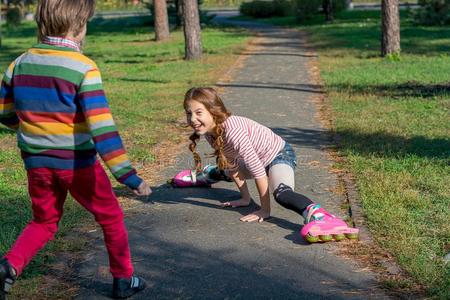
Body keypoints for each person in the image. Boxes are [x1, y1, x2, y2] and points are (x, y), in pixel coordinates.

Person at [0, 1, 150, 298]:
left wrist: (32, 131)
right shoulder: (83, 67)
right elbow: (102, 129)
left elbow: (4, 112)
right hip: (77, 164)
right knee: (110, 217)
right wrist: (128, 176)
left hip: (36, 163)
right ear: (80, 26)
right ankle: (123, 279)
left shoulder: (19, 62)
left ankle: (9, 266)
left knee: (44, 221)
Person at [183, 87, 359, 243]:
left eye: (199, 112)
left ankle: (320, 216)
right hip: (257, 160)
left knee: (282, 193)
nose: (192, 119)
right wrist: (245, 199)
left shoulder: (233, 132)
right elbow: (233, 164)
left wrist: (264, 210)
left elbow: (258, 171)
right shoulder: (211, 132)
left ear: (213, 111)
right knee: (227, 169)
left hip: (278, 156)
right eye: (188, 113)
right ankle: (206, 175)